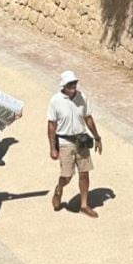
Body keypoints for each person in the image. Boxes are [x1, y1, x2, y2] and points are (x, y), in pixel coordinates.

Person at [46, 70, 103, 218]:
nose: (73, 86)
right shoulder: (55, 101)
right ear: (63, 85)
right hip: (65, 142)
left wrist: (97, 137)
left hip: (81, 140)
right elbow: (51, 125)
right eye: (70, 84)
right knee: (67, 176)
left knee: (84, 174)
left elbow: (88, 117)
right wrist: (52, 147)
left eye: (75, 83)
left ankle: (84, 205)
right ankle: (59, 188)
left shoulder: (82, 97)